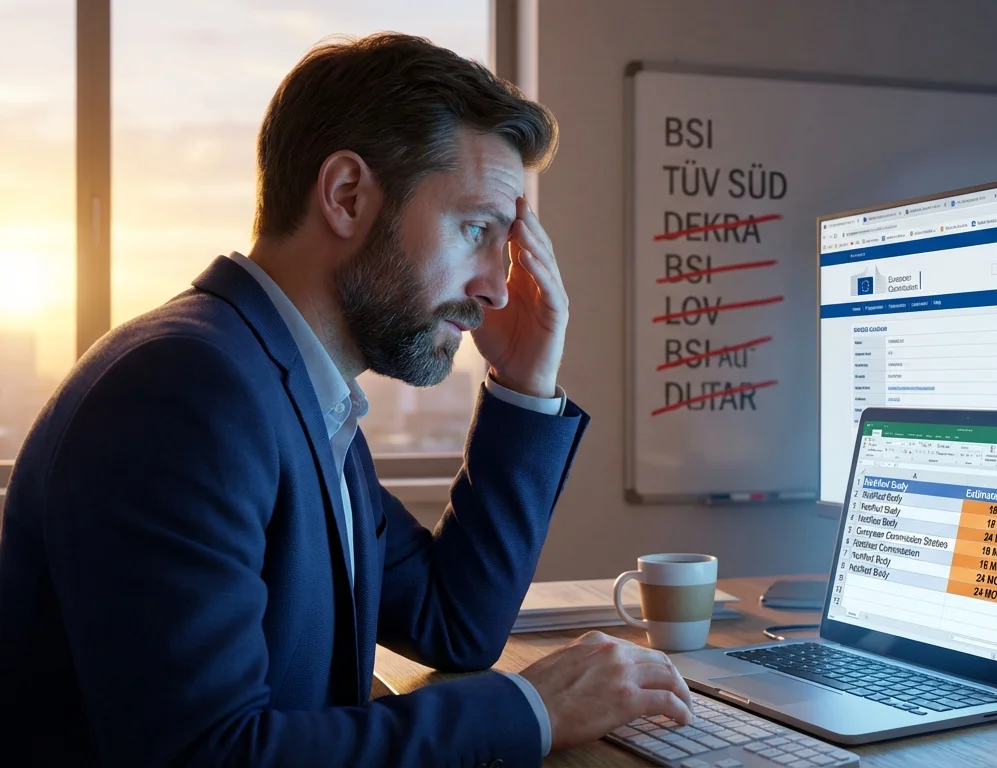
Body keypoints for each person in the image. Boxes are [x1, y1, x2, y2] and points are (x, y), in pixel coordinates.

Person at [0, 33, 692, 766]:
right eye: (476, 229)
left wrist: (523, 384)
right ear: (346, 197)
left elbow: (453, 621)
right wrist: (531, 709)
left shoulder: (287, 387)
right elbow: (210, 756)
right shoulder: (187, 392)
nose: (496, 287)